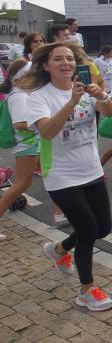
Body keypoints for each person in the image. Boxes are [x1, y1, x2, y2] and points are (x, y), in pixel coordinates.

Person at [19, 42, 112, 311]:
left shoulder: (86, 88)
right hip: (61, 175)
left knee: (103, 228)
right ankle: (86, 290)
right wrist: (72, 101)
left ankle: (60, 249)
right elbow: (47, 131)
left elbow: (110, 113)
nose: (66, 63)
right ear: (46, 65)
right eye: (58, 59)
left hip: (91, 169)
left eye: (70, 59)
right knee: (87, 230)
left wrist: (102, 95)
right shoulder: (39, 97)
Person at [0, 60, 40, 240]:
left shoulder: (20, 93)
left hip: (29, 143)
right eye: (31, 74)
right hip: (26, 144)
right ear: (22, 76)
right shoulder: (19, 96)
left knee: (25, 182)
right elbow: (20, 123)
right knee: (21, 184)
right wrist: (43, 124)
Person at [95, 45, 112, 168]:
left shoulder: (110, 60)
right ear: (105, 53)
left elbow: (111, 71)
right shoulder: (97, 61)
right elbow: (95, 75)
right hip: (104, 90)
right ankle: (99, 167)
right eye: (111, 53)